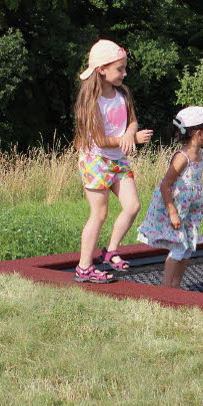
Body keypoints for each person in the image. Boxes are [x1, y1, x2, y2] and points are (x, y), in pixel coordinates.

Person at [73, 39, 153, 283]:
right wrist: (130, 140)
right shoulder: (92, 100)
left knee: (132, 206)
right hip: (96, 160)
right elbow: (98, 139)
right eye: (120, 69)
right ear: (102, 70)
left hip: (118, 160)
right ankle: (84, 267)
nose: (124, 73)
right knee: (99, 214)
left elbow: (132, 120)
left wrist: (131, 132)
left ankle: (110, 251)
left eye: (124, 67)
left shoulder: (122, 93)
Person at [137, 106, 203, 288]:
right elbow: (165, 185)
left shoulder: (200, 155)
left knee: (187, 248)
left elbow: (196, 182)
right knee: (178, 248)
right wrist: (172, 212)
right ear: (199, 133)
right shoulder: (182, 157)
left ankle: (176, 287)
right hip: (177, 210)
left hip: (190, 212)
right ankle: (166, 290)